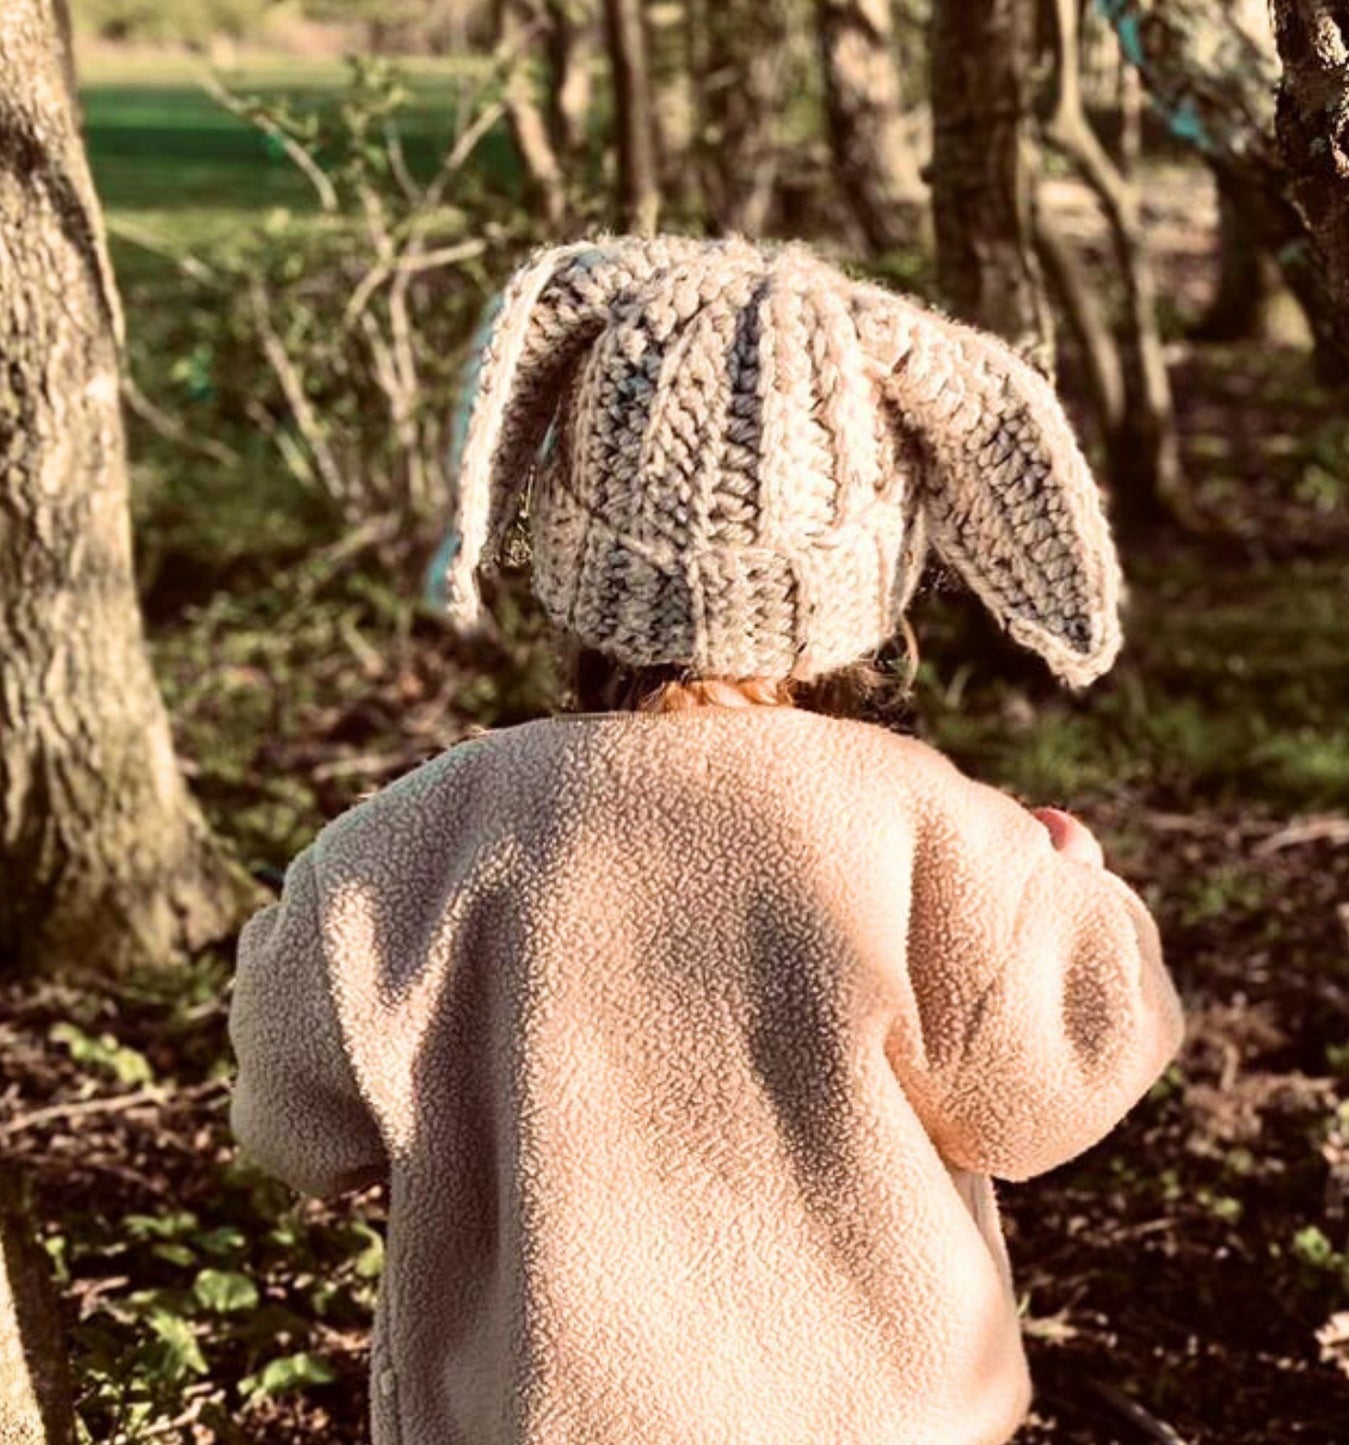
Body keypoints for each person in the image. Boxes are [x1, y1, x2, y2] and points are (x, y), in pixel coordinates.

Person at [228, 234, 1185, 1445]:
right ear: (880, 569)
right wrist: (1077, 896)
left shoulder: (423, 836)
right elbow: (1056, 1077)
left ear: (562, 534)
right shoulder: (927, 824)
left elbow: (291, 1113)